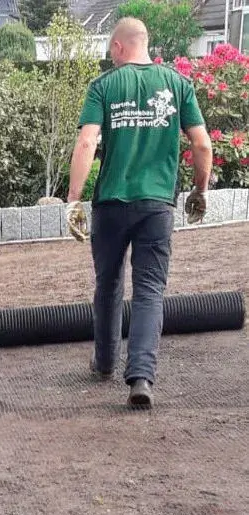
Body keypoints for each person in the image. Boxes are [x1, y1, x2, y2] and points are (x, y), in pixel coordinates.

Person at [65, 17, 212, 409]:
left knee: (108, 283)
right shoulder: (178, 85)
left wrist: (73, 198)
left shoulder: (103, 86)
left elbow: (85, 144)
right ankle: (141, 378)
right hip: (157, 205)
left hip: (111, 202)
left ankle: (104, 363)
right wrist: (199, 189)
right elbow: (202, 146)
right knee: (149, 290)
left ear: (118, 47)